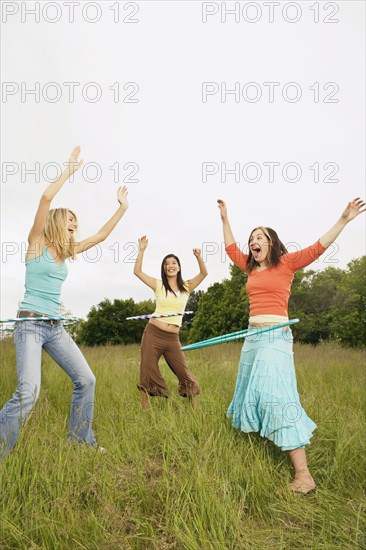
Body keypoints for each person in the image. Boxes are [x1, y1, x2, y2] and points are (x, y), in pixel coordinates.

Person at [218, 197, 365, 494]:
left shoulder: (287, 263)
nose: (253, 241)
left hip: (276, 337)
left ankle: (304, 475)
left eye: (259, 237)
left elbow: (317, 247)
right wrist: (224, 219)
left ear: (272, 243)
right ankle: (260, 446)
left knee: (277, 395)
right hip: (253, 337)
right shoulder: (250, 269)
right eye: (251, 238)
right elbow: (231, 248)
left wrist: (344, 219)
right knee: (250, 390)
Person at [0, 146, 129, 461]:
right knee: (28, 391)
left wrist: (122, 209)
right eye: (70, 219)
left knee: (86, 379)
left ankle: (80, 440)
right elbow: (45, 198)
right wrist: (69, 171)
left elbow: (99, 236)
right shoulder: (36, 243)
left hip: (55, 327)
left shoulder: (67, 252)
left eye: (76, 221)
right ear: (58, 221)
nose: (75, 224)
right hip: (29, 324)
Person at [133, 236, 208, 409]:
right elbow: (137, 272)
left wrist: (198, 257)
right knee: (147, 370)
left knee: (184, 372)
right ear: (164, 268)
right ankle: (144, 410)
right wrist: (141, 250)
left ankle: (193, 411)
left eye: (174, 262)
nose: (170, 265)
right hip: (153, 333)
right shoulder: (158, 285)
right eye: (167, 263)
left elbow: (204, 274)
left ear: (179, 267)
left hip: (172, 338)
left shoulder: (187, 287)